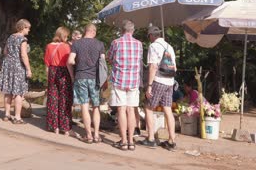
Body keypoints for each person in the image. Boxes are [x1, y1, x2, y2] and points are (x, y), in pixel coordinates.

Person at [140, 26, 177, 151]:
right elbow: (174, 68)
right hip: (170, 82)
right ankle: (171, 141)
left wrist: (149, 86)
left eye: (149, 36)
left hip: (158, 81)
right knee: (167, 109)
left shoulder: (153, 46)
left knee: (148, 107)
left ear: (151, 35)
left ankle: (150, 138)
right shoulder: (169, 47)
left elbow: (153, 67)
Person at [107, 20, 143, 151]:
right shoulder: (139, 44)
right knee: (131, 110)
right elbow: (139, 60)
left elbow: (109, 58)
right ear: (132, 31)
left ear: (122, 30)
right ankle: (131, 141)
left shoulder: (116, 43)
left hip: (119, 80)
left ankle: (123, 141)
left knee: (121, 110)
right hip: (133, 81)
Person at [67, 23, 105, 143]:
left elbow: (70, 60)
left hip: (81, 77)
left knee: (84, 105)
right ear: (94, 32)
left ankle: (88, 135)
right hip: (95, 78)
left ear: (85, 31)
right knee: (96, 106)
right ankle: (97, 135)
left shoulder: (76, 43)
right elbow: (103, 63)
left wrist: (73, 75)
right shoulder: (99, 44)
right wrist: (105, 80)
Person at [0, 19, 32, 124]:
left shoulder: (10, 37)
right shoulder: (23, 40)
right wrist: (28, 69)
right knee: (19, 93)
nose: (29, 31)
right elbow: (23, 55)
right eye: (28, 28)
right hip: (18, 67)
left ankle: (7, 114)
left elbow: (5, 52)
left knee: (8, 92)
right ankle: (17, 117)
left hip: (8, 66)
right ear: (23, 28)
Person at [44, 27, 73, 135]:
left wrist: (48, 77)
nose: (67, 38)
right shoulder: (66, 47)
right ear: (63, 36)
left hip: (52, 71)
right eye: (66, 36)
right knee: (64, 99)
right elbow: (68, 64)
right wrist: (72, 77)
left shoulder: (49, 46)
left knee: (52, 98)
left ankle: (54, 126)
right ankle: (65, 127)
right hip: (63, 72)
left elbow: (46, 64)